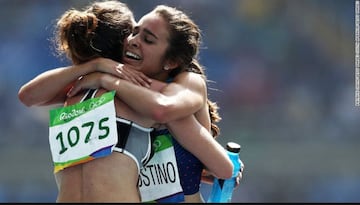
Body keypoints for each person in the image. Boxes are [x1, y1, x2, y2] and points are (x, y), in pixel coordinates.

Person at [18, 2, 241, 203]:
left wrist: (97, 71)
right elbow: (224, 168)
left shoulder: (75, 92)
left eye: (147, 38)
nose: (133, 42)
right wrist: (97, 70)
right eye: (134, 33)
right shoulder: (138, 95)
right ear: (121, 46)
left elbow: (28, 96)